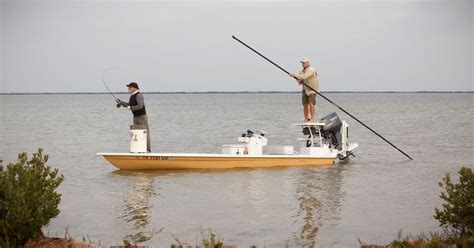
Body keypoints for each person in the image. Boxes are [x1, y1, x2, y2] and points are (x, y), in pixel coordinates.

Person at [116, 82, 151, 152]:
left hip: (142, 117)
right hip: (135, 117)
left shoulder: (139, 95)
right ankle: (139, 149)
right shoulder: (132, 96)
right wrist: (121, 102)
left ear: (134, 88)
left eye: (130, 87)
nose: (128, 89)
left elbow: (140, 106)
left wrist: (130, 107)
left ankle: (148, 150)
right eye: (128, 87)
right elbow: (128, 104)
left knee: (145, 132)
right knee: (136, 133)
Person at [289, 58, 320, 123]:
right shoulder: (301, 71)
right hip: (305, 89)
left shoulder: (311, 69)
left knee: (311, 103)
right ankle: (306, 119)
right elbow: (299, 82)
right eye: (302, 63)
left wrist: (295, 75)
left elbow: (304, 77)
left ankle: (312, 119)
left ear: (308, 63)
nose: (303, 64)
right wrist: (294, 77)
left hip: (312, 89)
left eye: (304, 63)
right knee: (305, 104)